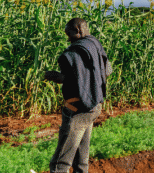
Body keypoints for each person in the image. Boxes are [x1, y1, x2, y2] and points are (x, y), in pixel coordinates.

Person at [43, 18, 112, 173]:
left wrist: (54, 76)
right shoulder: (95, 45)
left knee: (60, 163)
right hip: (94, 106)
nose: (68, 38)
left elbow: (72, 81)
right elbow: (108, 71)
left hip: (77, 109)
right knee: (81, 160)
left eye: (69, 34)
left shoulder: (73, 53)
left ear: (78, 29)